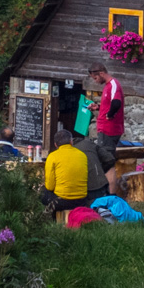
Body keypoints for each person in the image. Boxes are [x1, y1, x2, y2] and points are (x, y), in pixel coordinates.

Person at [86, 62, 126, 193]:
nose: (95, 81)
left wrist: (109, 115)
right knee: (105, 161)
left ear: (101, 73)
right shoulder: (108, 86)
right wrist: (98, 107)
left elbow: (116, 102)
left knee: (108, 163)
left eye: (96, 78)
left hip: (109, 130)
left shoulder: (114, 84)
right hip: (105, 130)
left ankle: (111, 195)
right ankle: (107, 193)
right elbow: (109, 103)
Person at [41, 138, 105, 214]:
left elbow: (50, 186)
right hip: (82, 200)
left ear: (55, 145)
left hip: (63, 201)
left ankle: (53, 221)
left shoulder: (53, 156)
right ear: (71, 142)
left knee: (43, 193)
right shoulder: (82, 155)